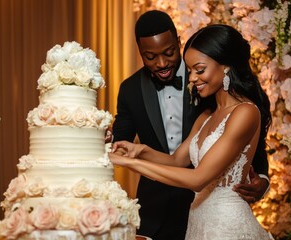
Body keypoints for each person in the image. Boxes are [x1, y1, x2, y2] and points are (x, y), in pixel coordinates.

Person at [112, 10, 270, 240]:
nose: (193, 78)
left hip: (226, 226)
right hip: (194, 221)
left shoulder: (245, 112)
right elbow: (177, 160)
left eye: (199, 70)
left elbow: (198, 178)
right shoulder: (206, 114)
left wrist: (129, 163)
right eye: (190, 71)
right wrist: (139, 151)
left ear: (225, 66)